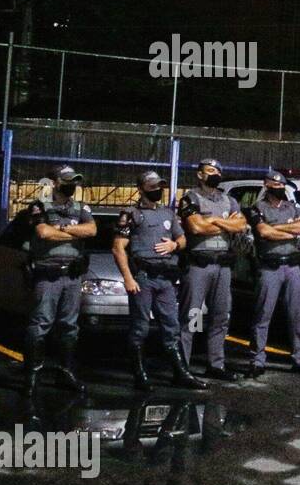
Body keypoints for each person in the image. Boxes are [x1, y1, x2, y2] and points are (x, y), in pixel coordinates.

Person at [113, 169, 205, 392]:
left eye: (160, 187)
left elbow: (182, 238)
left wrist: (175, 245)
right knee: (140, 327)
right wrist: (127, 277)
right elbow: (118, 248)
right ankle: (139, 374)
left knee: (171, 326)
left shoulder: (168, 214)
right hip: (143, 277)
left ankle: (180, 373)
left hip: (166, 279)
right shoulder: (132, 214)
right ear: (141, 188)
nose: (157, 191)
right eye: (152, 187)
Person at [22, 164, 97, 424]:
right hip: (48, 274)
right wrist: (72, 232)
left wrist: (61, 231)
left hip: (72, 276)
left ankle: (66, 372)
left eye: (74, 181)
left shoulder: (81, 208)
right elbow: (43, 233)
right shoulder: (40, 206)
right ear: (54, 182)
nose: (72, 185)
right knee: (40, 324)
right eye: (67, 181)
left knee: (69, 326)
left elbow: (92, 230)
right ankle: (31, 376)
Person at [178, 158, 246, 381]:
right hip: (199, 267)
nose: (215, 174)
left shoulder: (229, 200)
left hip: (223, 268)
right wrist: (223, 223)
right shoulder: (190, 198)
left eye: (218, 170)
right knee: (193, 317)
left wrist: (211, 220)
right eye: (210, 170)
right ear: (200, 174)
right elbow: (195, 227)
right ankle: (184, 366)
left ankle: (215, 364)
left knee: (221, 316)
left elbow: (241, 225)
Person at [244, 171, 300, 377]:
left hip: (293, 267)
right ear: (266, 185)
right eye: (274, 184)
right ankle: (257, 360)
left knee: (297, 315)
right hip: (270, 268)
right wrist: (288, 231)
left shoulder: (292, 206)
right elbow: (264, 232)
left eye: (281, 184)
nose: (278, 187)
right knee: (263, 315)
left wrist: (277, 228)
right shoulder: (258, 207)